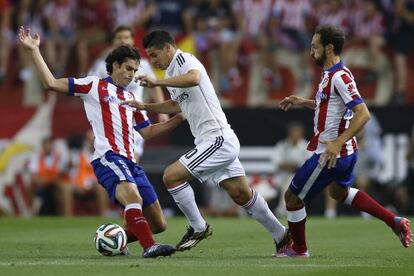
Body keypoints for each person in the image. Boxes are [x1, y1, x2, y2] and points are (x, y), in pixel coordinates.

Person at [18, 26, 184, 258]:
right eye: (127, 69)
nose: (131, 75)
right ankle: (149, 247)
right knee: (133, 198)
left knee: (159, 223)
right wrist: (35, 50)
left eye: (135, 70)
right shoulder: (94, 86)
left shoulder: (131, 97)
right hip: (108, 158)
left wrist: (178, 119)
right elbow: (51, 83)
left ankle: (113, 240)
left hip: (131, 162)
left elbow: (146, 132)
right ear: (115, 66)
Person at [122, 29, 292, 255]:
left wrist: (157, 84)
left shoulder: (185, 60)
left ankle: (198, 226)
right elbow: (177, 105)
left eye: (154, 55)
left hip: (217, 139)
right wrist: (146, 107)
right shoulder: (172, 73)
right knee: (240, 193)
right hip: (215, 141)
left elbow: (194, 78)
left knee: (171, 176)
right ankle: (283, 236)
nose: (153, 61)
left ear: (168, 48)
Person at [277, 25, 413, 258]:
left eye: (314, 47)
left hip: (331, 154)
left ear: (329, 48)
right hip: (347, 154)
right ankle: (394, 220)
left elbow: (363, 113)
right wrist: (303, 101)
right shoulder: (331, 74)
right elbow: (330, 106)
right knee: (339, 193)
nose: (311, 52)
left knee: (292, 197)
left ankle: (299, 249)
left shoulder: (339, 76)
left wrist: (337, 142)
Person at [88, 25, 169, 162]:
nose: (122, 40)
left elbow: (154, 87)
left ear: (132, 40)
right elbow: (91, 92)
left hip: (135, 120)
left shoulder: (142, 64)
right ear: (113, 42)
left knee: (131, 163)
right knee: (112, 168)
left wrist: (162, 111)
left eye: (126, 37)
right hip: (109, 121)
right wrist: (92, 124)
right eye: (119, 37)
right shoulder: (102, 65)